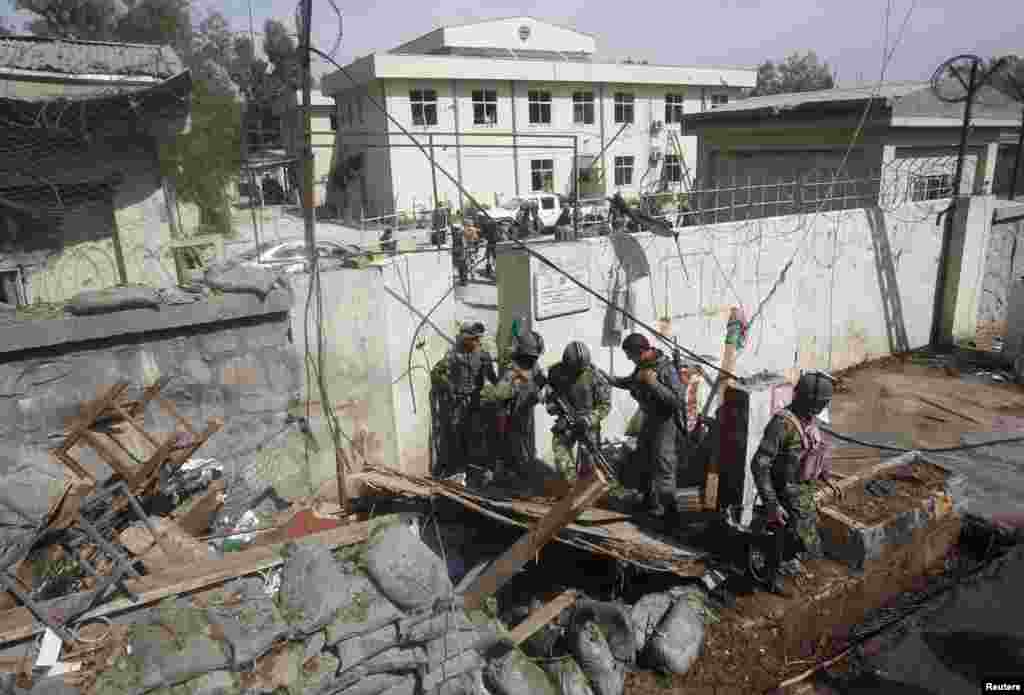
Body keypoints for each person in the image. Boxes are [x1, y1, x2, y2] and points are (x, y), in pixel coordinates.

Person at [750, 370, 841, 585]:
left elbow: (813, 450)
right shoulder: (782, 425)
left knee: (800, 537)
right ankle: (772, 578)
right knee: (781, 538)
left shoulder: (808, 419)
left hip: (802, 493)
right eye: (822, 404)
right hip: (783, 495)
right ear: (813, 402)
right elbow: (759, 465)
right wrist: (772, 504)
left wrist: (826, 475)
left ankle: (788, 564)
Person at [609, 333, 688, 527]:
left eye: (631, 355)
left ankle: (670, 513)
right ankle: (648, 502)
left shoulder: (666, 369)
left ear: (642, 352)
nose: (629, 359)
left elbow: (677, 401)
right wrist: (610, 379)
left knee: (663, 464)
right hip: (649, 419)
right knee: (643, 458)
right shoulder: (643, 366)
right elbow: (631, 381)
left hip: (665, 422)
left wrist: (653, 384)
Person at [430, 321, 499, 484]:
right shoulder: (453, 355)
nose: (478, 342)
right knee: (457, 437)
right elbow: (436, 373)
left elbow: (493, 378)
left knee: (481, 436)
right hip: (458, 404)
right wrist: (449, 387)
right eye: (474, 339)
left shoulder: (483, 355)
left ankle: (486, 472)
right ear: (465, 339)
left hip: (477, 403)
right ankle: (459, 472)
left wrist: (497, 395)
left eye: (478, 339)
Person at [482, 330, 547, 482]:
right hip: (509, 417)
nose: (534, 359)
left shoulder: (534, 366)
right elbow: (500, 393)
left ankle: (517, 474)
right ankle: (497, 476)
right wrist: (516, 386)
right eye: (532, 356)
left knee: (525, 448)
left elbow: (537, 384)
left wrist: (538, 389)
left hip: (525, 414)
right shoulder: (512, 371)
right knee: (508, 449)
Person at [544, 341, 611, 483]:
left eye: (580, 369)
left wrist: (589, 419)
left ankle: (590, 493)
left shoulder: (595, 376)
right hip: (566, 422)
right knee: (560, 450)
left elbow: (605, 405)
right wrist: (553, 407)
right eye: (574, 369)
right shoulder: (555, 372)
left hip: (588, 424)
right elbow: (549, 398)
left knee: (590, 463)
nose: (577, 372)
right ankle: (570, 487)